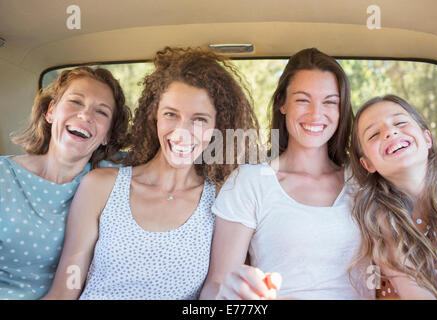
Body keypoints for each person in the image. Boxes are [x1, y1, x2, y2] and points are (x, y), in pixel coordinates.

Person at [42, 47, 261, 300]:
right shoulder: (100, 186)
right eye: (171, 114)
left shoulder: (223, 199)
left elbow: (217, 287)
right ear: (154, 115)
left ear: (217, 127)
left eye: (199, 119)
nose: (182, 131)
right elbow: (65, 289)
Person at [200, 48, 374, 300]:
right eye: (303, 100)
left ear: (341, 110)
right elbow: (217, 285)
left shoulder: (362, 180)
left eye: (330, 102)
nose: (316, 114)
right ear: (283, 103)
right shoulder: (250, 182)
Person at [0, 66, 131, 299]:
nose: (86, 115)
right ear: (51, 111)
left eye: (101, 112)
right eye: (75, 102)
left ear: (108, 136)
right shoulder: (4, 174)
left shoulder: (113, 181)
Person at [349, 94, 437, 299]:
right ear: (368, 164)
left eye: (400, 122)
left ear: (427, 138)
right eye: (374, 134)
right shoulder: (380, 220)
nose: (390, 132)